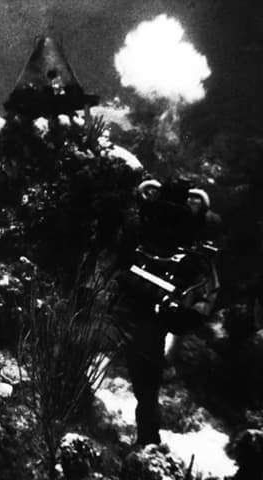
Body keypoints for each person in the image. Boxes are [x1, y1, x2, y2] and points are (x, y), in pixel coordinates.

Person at [112, 177, 220, 445]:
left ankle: (148, 444)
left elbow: (204, 290)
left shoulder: (178, 236)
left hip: (146, 311)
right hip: (136, 306)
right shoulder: (146, 225)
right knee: (146, 385)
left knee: (146, 384)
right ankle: (147, 442)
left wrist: (183, 314)